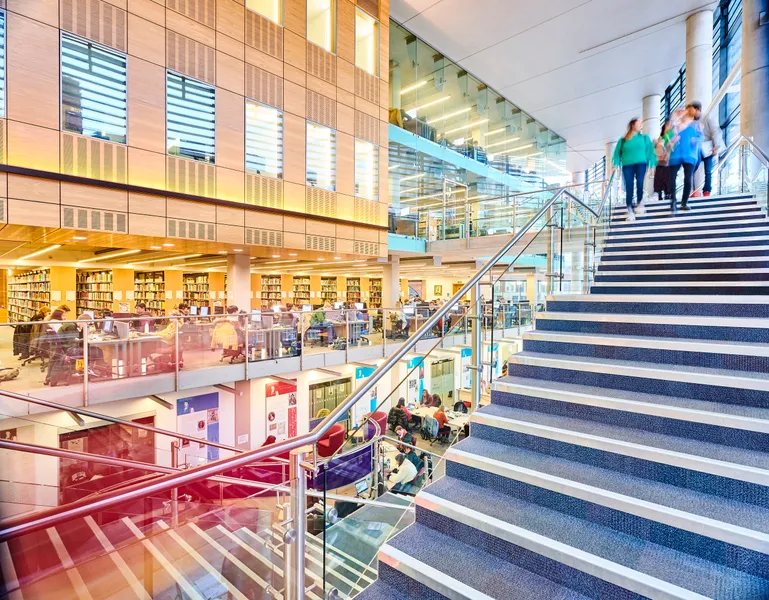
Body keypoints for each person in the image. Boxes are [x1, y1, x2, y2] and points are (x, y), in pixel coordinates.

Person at [613, 118, 657, 221]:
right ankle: (629, 209)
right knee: (629, 185)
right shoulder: (623, 140)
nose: (641, 125)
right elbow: (616, 153)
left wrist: (652, 165)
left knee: (640, 183)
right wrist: (615, 164)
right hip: (627, 164)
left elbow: (650, 152)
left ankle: (640, 203)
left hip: (641, 163)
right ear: (633, 125)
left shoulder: (645, 138)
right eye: (639, 123)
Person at [669, 106, 703, 213]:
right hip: (675, 155)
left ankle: (684, 202)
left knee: (688, 178)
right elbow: (667, 140)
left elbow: (700, 138)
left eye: (682, 111)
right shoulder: (673, 126)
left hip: (689, 155)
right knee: (671, 179)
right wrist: (672, 140)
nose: (681, 113)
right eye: (678, 112)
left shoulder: (694, 125)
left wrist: (694, 141)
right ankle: (673, 201)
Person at [688, 100, 723, 197]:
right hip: (697, 149)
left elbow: (716, 131)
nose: (689, 112)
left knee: (708, 171)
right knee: (692, 169)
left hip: (708, 149)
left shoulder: (708, 118)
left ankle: (706, 191)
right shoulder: (691, 123)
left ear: (697, 109)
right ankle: (694, 190)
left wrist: (716, 147)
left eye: (691, 110)